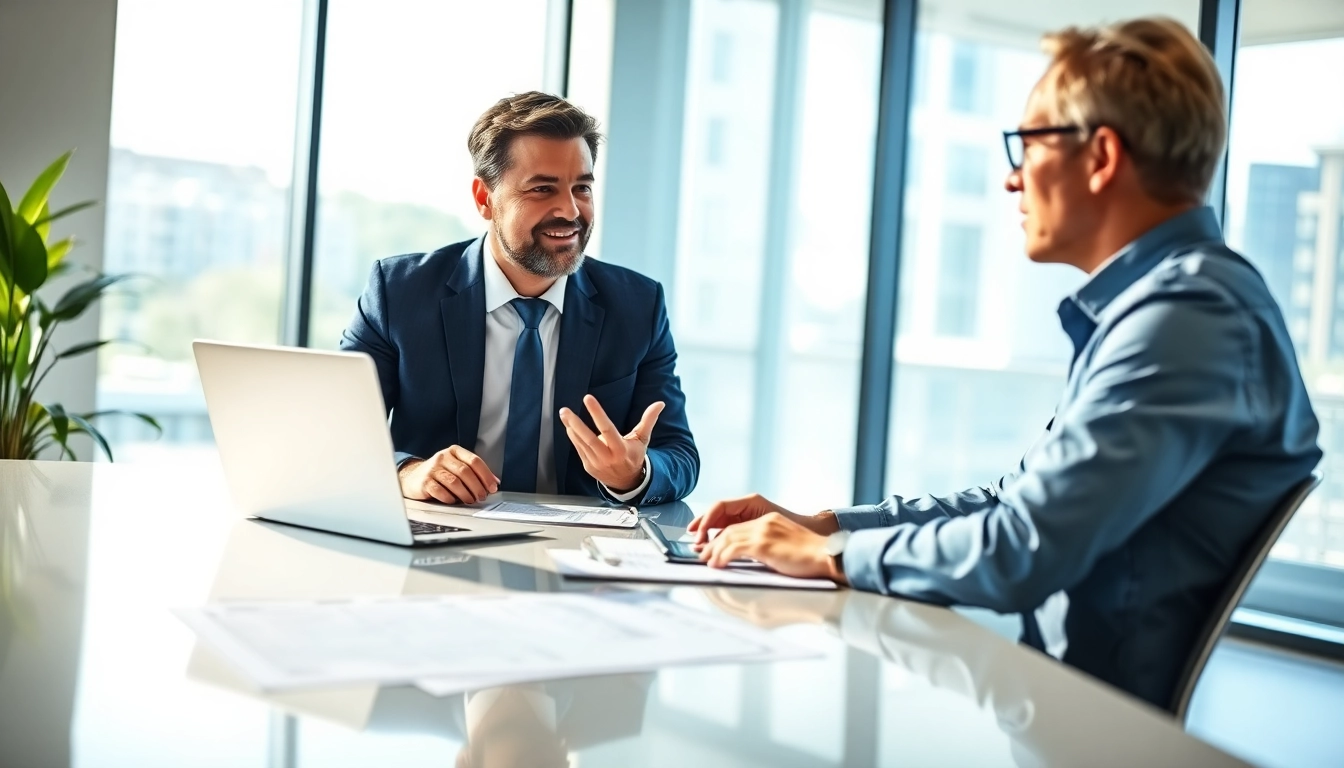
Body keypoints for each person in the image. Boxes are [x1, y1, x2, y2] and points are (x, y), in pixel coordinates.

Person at [690, 16, 1322, 708]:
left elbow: (1022, 548)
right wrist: (828, 527)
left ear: (1101, 156)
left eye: (1028, 144)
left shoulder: (1188, 320)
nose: (1011, 179)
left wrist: (829, 558)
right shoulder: (1164, 308)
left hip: (1080, 728)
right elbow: (1013, 504)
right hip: (1044, 701)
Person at [341, 92, 698, 506]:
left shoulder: (638, 306)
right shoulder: (398, 293)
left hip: (578, 537)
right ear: (484, 199)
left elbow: (679, 455)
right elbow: (337, 432)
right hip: (442, 525)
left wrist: (634, 473)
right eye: (543, 189)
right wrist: (407, 472)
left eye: (582, 188)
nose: (570, 210)